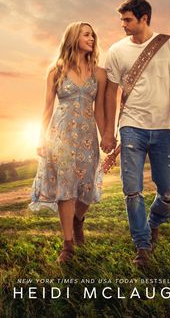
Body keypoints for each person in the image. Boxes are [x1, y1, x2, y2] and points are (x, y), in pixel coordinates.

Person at [101, 0, 170, 267]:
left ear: (144, 19)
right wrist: (107, 130)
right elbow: (110, 92)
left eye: (127, 20)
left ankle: (153, 223)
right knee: (132, 190)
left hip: (163, 128)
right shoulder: (116, 50)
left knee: (169, 190)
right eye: (122, 20)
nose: (123, 25)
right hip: (131, 127)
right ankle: (142, 246)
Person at [29, 22, 106, 263]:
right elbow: (47, 108)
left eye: (93, 34)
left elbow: (100, 111)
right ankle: (68, 244)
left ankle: (77, 220)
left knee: (86, 187)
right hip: (60, 137)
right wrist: (41, 137)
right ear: (73, 38)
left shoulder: (100, 73)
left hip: (87, 138)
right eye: (86, 34)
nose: (92, 38)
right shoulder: (56, 71)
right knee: (65, 188)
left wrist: (108, 137)